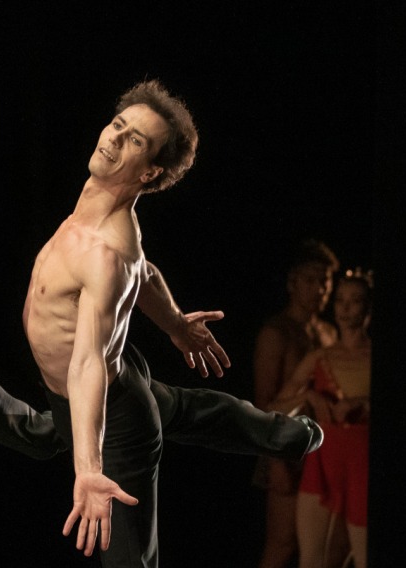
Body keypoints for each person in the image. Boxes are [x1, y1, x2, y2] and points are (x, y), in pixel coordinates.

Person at [21, 79, 324, 567]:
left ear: (149, 172)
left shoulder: (107, 250)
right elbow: (147, 272)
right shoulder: (96, 194)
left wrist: (89, 468)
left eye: (135, 141)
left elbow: (89, 361)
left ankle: (291, 437)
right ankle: (287, 435)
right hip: (119, 380)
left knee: (129, 557)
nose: (115, 139)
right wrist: (177, 324)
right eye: (118, 125)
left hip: (113, 415)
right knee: (179, 407)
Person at [271, 268, 372, 568]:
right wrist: (308, 397)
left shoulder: (375, 355)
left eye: (355, 300)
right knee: (313, 559)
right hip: (324, 461)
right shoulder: (321, 357)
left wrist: (363, 403)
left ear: (368, 306)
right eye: (340, 299)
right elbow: (274, 408)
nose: (345, 307)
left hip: (362, 464)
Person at [253, 238, 342, 568]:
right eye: (310, 280)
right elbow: (262, 407)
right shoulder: (276, 333)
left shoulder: (330, 333)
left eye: (325, 280)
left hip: (325, 450)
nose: (319, 289)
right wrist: (276, 462)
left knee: (325, 546)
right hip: (286, 449)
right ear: (293, 283)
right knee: (282, 543)